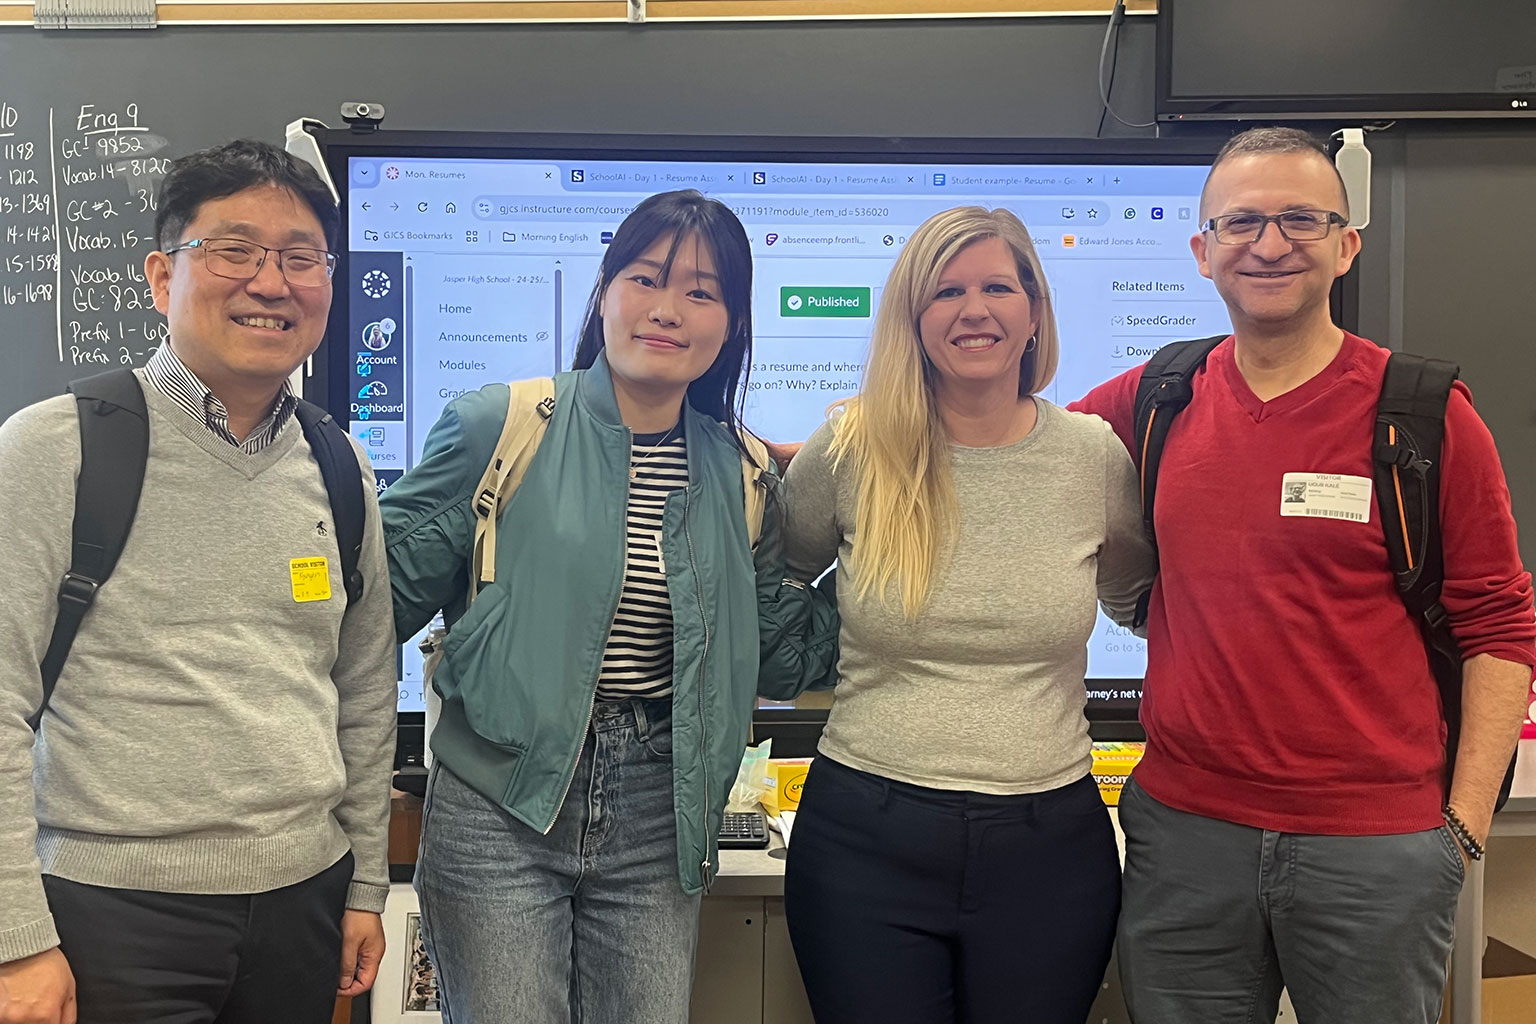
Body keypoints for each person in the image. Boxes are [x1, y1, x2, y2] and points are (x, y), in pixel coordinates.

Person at [1070, 126, 1536, 1024]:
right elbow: (1007, 444)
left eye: (1300, 219)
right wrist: (805, 452)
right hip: (1185, 836)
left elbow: (1501, 626)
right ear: (1203, 251)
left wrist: (1463, 831)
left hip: (1378, 849)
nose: (1270, 244)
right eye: (1241, 223)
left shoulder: (1425, 415)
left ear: (1346, 244)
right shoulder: (1158, 397)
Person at [381, 189, 837, 1024]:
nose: (668, 309)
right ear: (605, 292)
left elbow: (785, 652)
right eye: (645, 278)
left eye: (702, 292)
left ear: (731, 324)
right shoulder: (501, 426)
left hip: (661, 812)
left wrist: (875, 499)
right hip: (500, 802)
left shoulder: (741, 474)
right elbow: (370, 609)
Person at [0, 140, 397, 1024]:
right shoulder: (54, 448)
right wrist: (17, 939)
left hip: (305, 901)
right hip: (111, 912)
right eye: (235, 250)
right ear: (160, 275)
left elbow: (366, 688)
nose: (271, 282)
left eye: (301, 258)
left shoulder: (340, 463)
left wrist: (366, 882)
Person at [779, 206, 1153, 1024]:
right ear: (913, 319)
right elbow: (775, 583)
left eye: (996, 287)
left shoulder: (1092, 457)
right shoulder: (852, 446)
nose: (973, 309)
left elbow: (1144, 605)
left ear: (1034, 314)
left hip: (1050, 845)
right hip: (864, 841)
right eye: (945, 290)